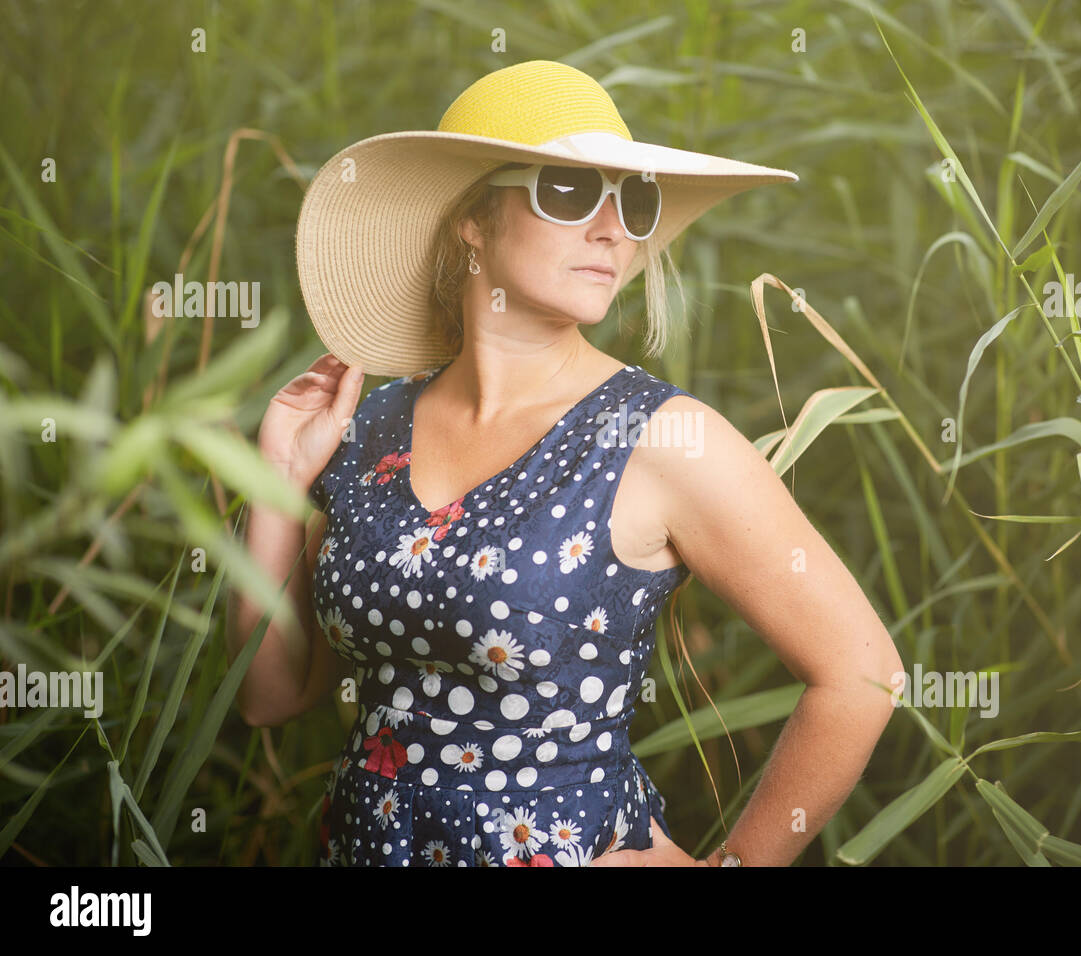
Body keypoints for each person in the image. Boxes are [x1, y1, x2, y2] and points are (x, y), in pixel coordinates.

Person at [230, 60, 903, 867]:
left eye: (635, 201)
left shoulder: (658, 438)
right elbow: (269, 696)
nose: (614, 229)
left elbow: (863, 675)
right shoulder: (370, 428)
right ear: (472, 219)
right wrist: (276, 481)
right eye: (572, 192)